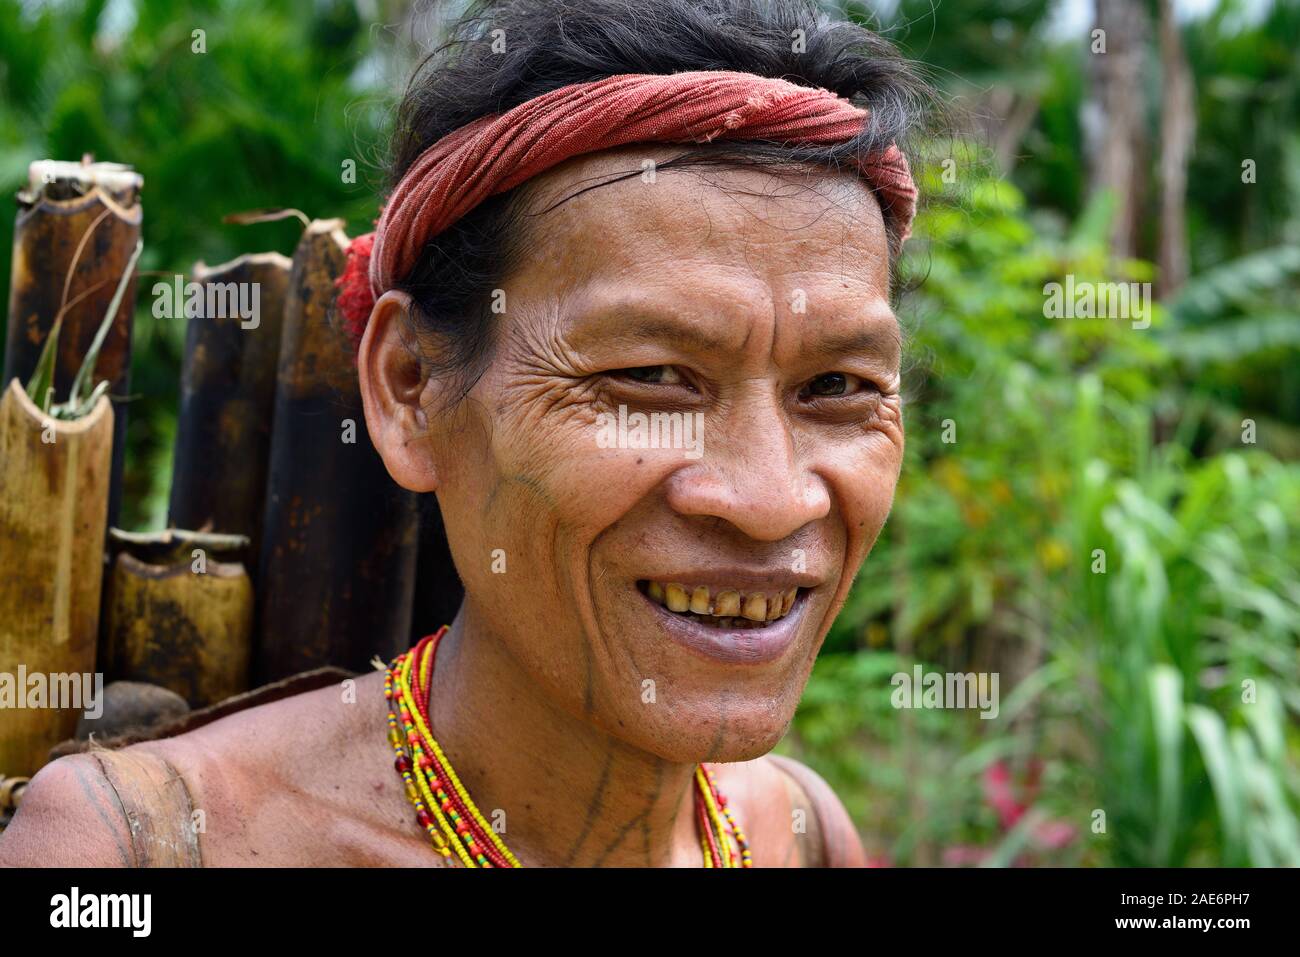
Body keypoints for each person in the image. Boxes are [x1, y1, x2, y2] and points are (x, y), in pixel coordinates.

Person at [0, 0, 927, 867]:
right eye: (648, 379)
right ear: (410, 390)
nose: (770, 501)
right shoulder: (137, 846)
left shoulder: (799, 834)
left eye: (838, 387)